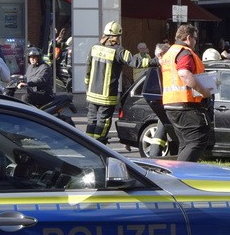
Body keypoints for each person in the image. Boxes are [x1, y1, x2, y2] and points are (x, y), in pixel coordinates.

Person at [84, 21, 155, 144]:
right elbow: (136, 62)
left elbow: (88, 71)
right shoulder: (119, 51)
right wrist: (156, 61)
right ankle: (98, 144)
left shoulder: (94, 48)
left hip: (92, 94)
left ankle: (89, 144)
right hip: (106, 96)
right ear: (117, 37)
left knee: (91, 121)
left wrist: (88, 87)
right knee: (103, 122)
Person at [161, 23, 215, 162]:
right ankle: (180, 174)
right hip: (186, 104)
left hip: (171, 104)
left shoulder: (170, 53)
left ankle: (182, 176)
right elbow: (184, 73)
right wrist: (204, 91)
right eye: (195, 38)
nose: (196, 42)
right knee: (197, 140)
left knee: (185, 143)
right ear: (189, 37)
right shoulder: (184, 52)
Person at [143, 43, 172, 157]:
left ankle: (154, 156)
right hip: (167, 103)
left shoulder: (158, 67)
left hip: (165, 103)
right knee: (161, 131)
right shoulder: (162, 67)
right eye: (168, 54)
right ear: (160, 55)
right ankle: (154, 156)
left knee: (161, 132)